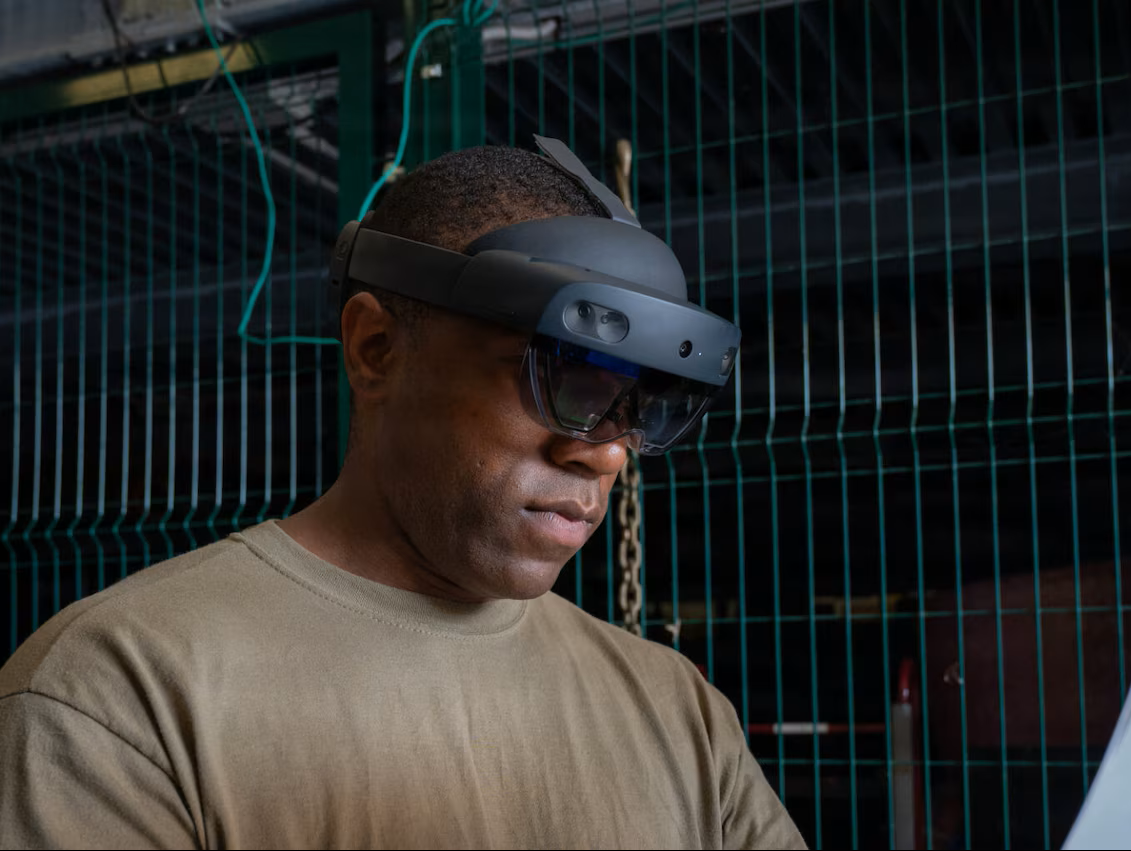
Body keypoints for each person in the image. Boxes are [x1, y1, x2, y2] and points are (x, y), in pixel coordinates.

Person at [0, 139, 806, 849]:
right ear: (376, 348)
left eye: (641, 410)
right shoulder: (117, 694)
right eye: (567, 379)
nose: (604, 455)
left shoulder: (681, 715)